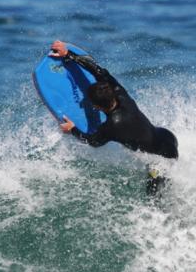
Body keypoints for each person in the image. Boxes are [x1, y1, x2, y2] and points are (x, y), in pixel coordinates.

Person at [49, 40, 178, 194]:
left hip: (160, 159)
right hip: (167, 136)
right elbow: (98, 71)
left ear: (97, 107)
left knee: (153, 198)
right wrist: (69, 54)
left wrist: (72, 129)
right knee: (164, 184)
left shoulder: (112, 126)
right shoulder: (120, 93)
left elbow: (93, 141)